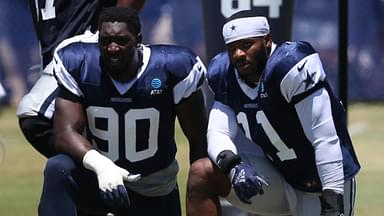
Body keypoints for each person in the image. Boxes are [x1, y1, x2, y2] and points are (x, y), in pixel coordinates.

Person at [39, 6, 208, 216]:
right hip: (99, 182)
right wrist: (101, 166)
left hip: (153, 187)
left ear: (138, 39)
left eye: (121, 41)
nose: (112, 48)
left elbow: (198, 137)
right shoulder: (79, 64)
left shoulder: (173, 67)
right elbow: (64, 134)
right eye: (105, 41)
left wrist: (199, 190)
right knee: (58, 167)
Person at [198, 10, 361, 216]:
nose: (238, 54)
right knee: (202, 173)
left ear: (266, 41)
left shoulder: (290, 65)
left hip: (323, 182)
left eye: (246, 45)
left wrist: (332, 199)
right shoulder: (224, 73)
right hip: (280, 177)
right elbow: (217, 132)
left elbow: (325, 139)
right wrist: (234, 166)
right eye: (232, 48)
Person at [16, 0, 146, 158]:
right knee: (68, 148)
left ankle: (100, 172)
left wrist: (110, 36)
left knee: (34, 115)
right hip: (54, 52)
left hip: (84, 45)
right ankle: (104, 172)